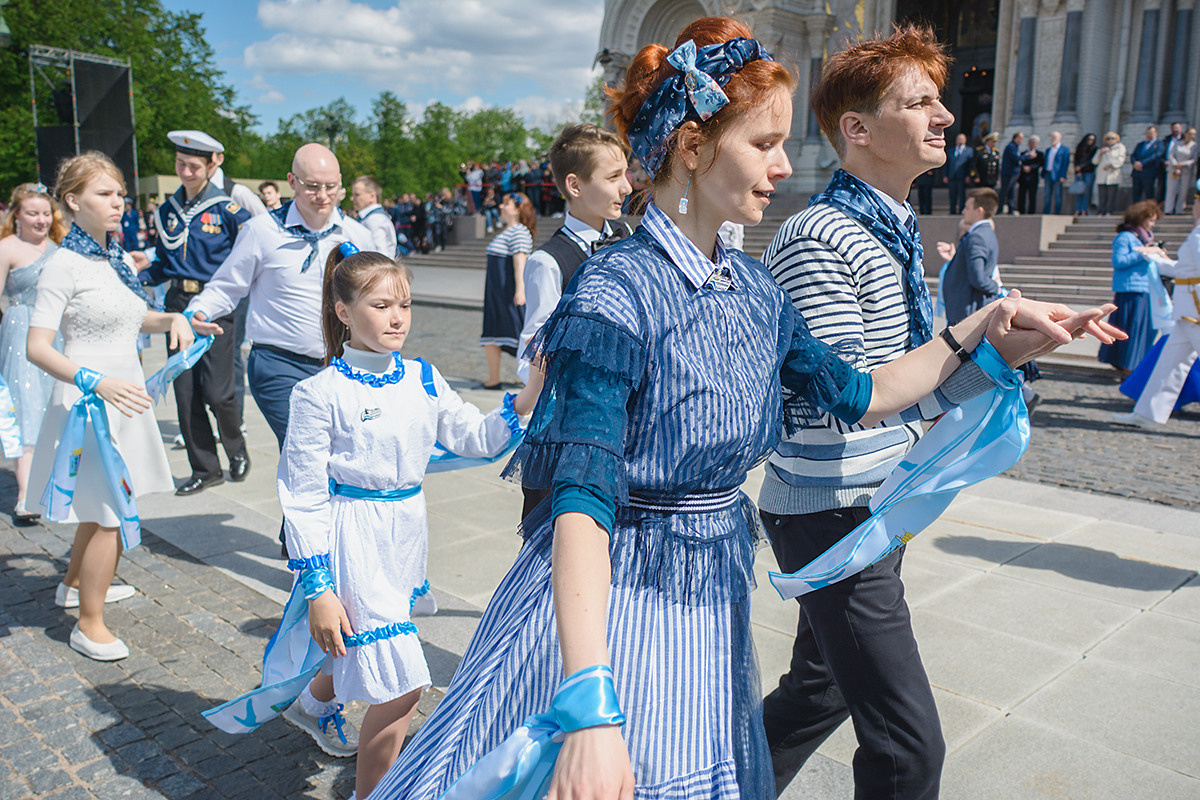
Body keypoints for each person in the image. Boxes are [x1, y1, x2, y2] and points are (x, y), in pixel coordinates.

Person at [367, 17, 1117, 800]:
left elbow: (863, 393)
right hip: (618, 602)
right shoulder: (616, 292)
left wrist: (990, 327)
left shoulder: (754, 289)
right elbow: (580, 501)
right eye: (764, 144)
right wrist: (586, 698)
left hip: (708, 600)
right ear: (694, 148)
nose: (784, 165)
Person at [755, 26, 1114, 799]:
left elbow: (916, 398)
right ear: (858, 128)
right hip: (832, 511)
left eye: (939, 101)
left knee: (818, 692)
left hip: (874, 500)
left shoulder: (890, 228)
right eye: (920, 102)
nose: (947, 116)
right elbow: (853, 403)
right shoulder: (819, 236)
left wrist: (1010, 349)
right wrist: (978, 325)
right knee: (909, 750)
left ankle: (711, 785)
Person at [278, 245, 535, 797]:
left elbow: (474, 436)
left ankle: (312, 703)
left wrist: (529, 395)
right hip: (354, 538)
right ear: (344, 312)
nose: (397, 318)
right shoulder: (318, 394)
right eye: (381, 306)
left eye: (405, 305)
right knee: (402, 684)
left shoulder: (423, 376)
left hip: (406, 536)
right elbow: (302, 496)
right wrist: (319, 588)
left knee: (361, 642)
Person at [26, 152, 213, 661]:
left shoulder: (115, 258)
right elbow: (37, 347)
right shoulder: (62, 264)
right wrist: (96, 381)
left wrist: (176, 319)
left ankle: (73, 586)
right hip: (89, 401)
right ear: (72, 200)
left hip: (124, 393)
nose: (118, 203)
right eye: (105, 194)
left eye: (121, 195)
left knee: (98, 503)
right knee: (110, 509)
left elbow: (130, 318)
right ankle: (88, 625)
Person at [186, 143, 376, 452]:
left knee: (345, 452)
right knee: (305, 448)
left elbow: (376, 296)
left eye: (331, 186)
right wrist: (200, 311)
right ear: (292, 181)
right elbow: (227, 285)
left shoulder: (357, 236)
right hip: (280, 364)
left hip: (341, 364)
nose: (323, 195)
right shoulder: (261, 231)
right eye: (312, 186)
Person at [141, 130, 253, 496]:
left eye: (193, 166)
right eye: (180, 164)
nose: (186, 172)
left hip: (215, 305)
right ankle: (205, 469)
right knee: (185, 391)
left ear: (211, 166)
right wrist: (134, 275)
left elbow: (246, 260)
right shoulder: (167, 211)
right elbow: (163, 263)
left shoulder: (228, 210)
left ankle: (235, 447)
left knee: (218, 392)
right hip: (178, 306)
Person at [0, 183, 67, 523]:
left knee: (54, 403)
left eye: (45, 213)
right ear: (17, 215)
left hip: (56, 333)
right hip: (21, 331)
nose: (41, 220)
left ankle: (55, 485)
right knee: (25, 406)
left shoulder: (59, 249)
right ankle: (25, 493)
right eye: (32, 213)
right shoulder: (7, 248)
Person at [1112, 192, 1200, 427]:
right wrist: (1157, 259)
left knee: (1171, 364)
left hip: (1195, 310)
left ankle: (1147, 414)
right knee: (1169, 365)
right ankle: (1148, 414)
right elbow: (1184, 269)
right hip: (1188, 311)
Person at [1097, 199, 1165, 373]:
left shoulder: (1143, 239)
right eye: (1151, 220)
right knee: (1130, 330)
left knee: (1141, 331)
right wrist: (1144, 253)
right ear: (1140, 218)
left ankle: (1132, 365)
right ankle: (1127, 366)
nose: (1153, 224)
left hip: (1145, 289)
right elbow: (1118, 261)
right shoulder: (1125, 237)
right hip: (1130, 290)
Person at [479, 192, 534, 389]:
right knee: (491, 335)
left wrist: (520, 290)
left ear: (518, 209)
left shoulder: (519, 231)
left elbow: (520, 261)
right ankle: (493, 378)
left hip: (507, 293)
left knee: (521, 335)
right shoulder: (507, 231)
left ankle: (535, 381)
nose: (501, 207)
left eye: (507, 204)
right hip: (496, 292)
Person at [938, 188, 1002, 321]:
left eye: (967, 208)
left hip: (967, 311)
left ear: (979, 211)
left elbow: (978, 278)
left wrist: (996, 287)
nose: (963, 212)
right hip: (966, 308)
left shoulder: (977, 237)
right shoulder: (984, 233)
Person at [350, 176, 397, 258]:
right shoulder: (371, 218)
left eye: (357, 194)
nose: (352, 198)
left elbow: (380, 256)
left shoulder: (374, 220)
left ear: (372, 196)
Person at [1164, 127, 1197, 215]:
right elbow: (1171, 155)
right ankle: (1168, 209)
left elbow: (1194, 159)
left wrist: (1183, 164)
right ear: (1185, 134)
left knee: (1183, 190)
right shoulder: (1178, 143)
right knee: (1171, 189)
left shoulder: (1194, 146)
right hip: (1174, 169)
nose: (1192, 136)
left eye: (1194, 134)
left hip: (1185, 170)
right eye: (1190, 133)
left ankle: (1179, 209)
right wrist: (1175, 164)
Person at [1093, 131, 1126, 216]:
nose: (1110, 140)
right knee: (1102, 195)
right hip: (1102, 174)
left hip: (1112, 174)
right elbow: (1094, 161)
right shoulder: (1102, 148)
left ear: (1116, 139)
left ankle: (1109, 211)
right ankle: (1101, 211)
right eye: (1108, 139)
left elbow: (1121, 160)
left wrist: (1111, 164)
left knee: (1111, 194)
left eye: (1112, 138)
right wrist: (1100, 153)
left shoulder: (1120, 147)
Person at [1131, 125, 1165, 204]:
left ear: (1156, 133)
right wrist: (1135, 163)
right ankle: (1136, 209)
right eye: (1147, 133)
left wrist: (1142, 163)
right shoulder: (1140, 144)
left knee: (1149, 193)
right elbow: (1133, 155)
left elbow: (1156, 155)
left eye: (1151, 133)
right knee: (1136, 194)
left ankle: (1150, 209)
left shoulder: (1159, 144)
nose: (1149, 135)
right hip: (1137, 172)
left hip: (1149, 172)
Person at [1042, 131, 1071, 214]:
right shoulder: (1048, 150)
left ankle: (1057, 212)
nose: (1052, 139)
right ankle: (1046, 212)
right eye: (1051, 137)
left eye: (1054, 137)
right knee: (1047, 194)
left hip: (1058, 175)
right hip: (1048, 173)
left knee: (1058, 194)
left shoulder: (1064, 149)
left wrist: (1063, 175)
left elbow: (1065, 163)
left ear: (1059, 138)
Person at [944, 132, 972, 214]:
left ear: (965, 140)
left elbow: (970, 165)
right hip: (952, 176)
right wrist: (945, 175)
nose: (960, 140)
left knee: (961, 194)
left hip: (962, 176)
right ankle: (952, 210)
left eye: (962, 139)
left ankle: (961, 210)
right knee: (952, 194)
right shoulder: (951, 150)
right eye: (959, 139)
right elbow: (947, 164)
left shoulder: (969, 151)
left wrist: (968, 175)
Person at [1016, 134, 1043, 214]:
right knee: (1021, 195)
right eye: (1031, 142)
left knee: (1032, 195)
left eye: (1034, 143)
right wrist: (1024, 168)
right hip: (1023, 177)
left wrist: (1030, 168)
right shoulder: (1023, 153)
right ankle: (1021, 211)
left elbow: (1039, 163)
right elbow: (1019, 162)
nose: (1032, 144)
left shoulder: (1039, 154)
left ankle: (1031, 212)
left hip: (1033, 177)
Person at [1073, 133, 1098, 215]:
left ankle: (1084, 209)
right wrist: (1078, 170)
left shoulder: (1094, 149)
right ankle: (1077, 209)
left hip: (1088, 172)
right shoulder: (1079, 148)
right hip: (1079, 172)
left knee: (1086, 191)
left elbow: (1091, 161)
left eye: (1092, 140)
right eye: (1089, 139)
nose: (1091, 141)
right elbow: (1076, 159)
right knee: (1078, 191)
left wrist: (1081, 167)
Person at [999, 131, 1023, 213]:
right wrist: (1028, 156)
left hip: (1013, 173)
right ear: (1017, 138)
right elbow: (1016, 158)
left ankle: (1011, 209)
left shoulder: (1015, 147)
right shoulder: (1011, 147)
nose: (1022, 140)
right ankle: (999, 209)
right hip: (1008, 173)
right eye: (1021, 138)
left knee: (1011, 192)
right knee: (1005, 191)